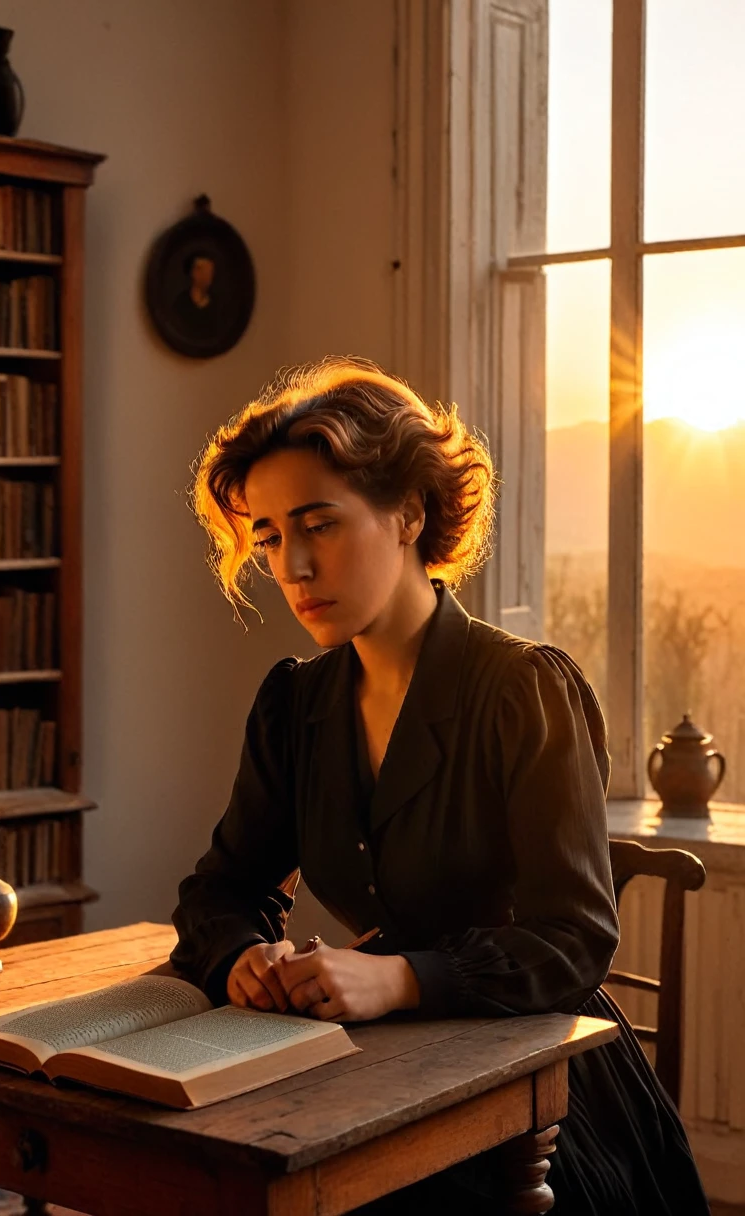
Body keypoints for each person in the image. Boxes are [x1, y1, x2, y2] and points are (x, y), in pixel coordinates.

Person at [170, 357, 709, 1214]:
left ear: (411, 512)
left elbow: (573, 941)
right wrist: (244, 957)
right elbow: (219, 891)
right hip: (380, 1074)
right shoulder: (294, 706)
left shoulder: (524, 690)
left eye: (318, 524)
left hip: (541, 1100)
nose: (293, 566)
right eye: (270, 537)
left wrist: (397, 979)